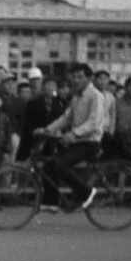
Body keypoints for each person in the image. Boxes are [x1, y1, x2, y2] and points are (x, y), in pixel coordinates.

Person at [34, 63, 105, 213]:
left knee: (60, 165)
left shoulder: (96, 96)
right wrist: (47, 129)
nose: (76, 80)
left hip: (90, 142)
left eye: (80, 77)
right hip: (77, 142)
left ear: (89, 78)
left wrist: (74, 133)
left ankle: (86, 191)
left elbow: (94, 122)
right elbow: (66, 118)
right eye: (74, 77)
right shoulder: (76, 97)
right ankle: (51, 202)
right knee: (49, 165)